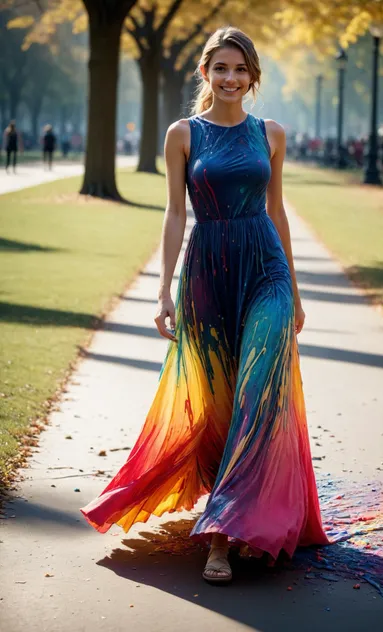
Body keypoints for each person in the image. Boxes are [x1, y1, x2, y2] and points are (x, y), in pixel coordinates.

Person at [80, 26, 332, 585]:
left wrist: (295, 290)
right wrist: (162, 287)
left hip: (265, 267)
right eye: (221, 68)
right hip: (207, 272)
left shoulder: (271, 134)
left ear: (253, 77)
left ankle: (221, 536)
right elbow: (174, 214)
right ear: (205, 73)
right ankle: (227, 506)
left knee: (258, 391)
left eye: (241, 70)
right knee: (218, 400)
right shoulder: (182, 135)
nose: (231, 78)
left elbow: (279, 211)